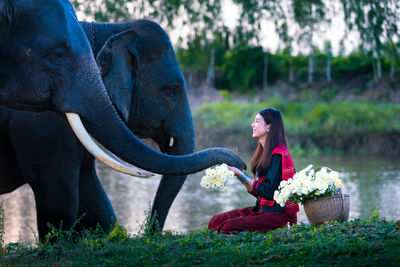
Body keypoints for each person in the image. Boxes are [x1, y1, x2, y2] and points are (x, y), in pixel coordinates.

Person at [208, 108, 299, 233]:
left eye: (257, 121)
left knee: (228, 226)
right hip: (261, 210)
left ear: (269, 127)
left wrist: (240, 173)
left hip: (279, 217)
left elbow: (267, 192)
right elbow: (258, 192)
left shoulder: (278, 154)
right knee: (215, 221)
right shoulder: (263, 153)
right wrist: (237, 174)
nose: (252, 124)